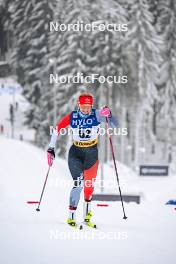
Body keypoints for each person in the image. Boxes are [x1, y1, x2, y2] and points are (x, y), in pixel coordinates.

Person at [47, 93, 118, 228]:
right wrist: (50, 148)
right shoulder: (73, 116)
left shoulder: (97, 114)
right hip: (76, 153)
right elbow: (57, 129)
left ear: (91, 106)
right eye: (83, 106)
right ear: (79, 105)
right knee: (78, 183)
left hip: (91, 154)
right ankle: (71, 216)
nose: (86, 109)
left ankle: (86, 217)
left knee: (89, 187)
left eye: (88, 106)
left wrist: (109, 114)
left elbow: (113, 124)